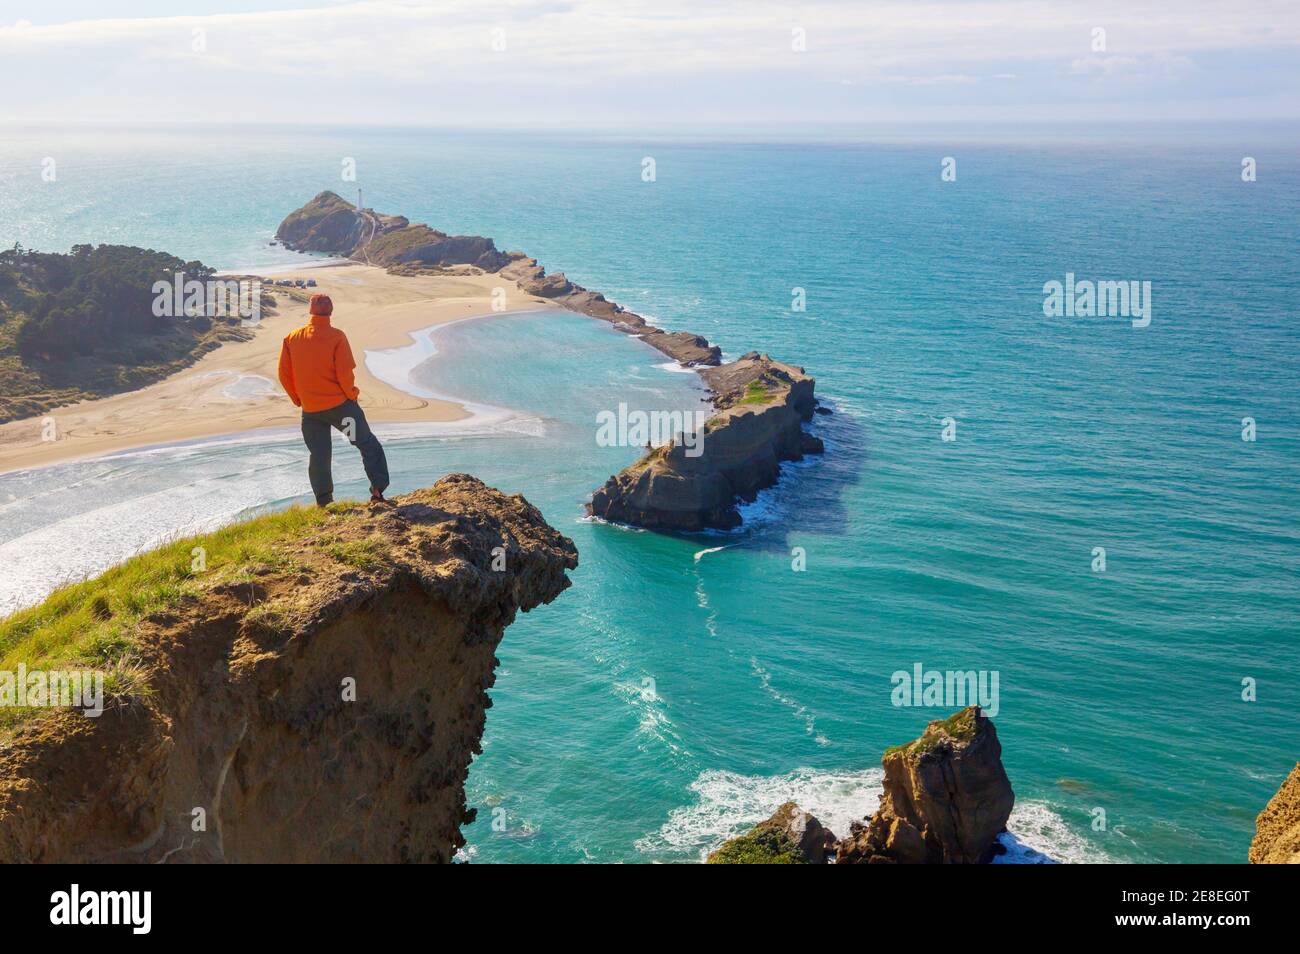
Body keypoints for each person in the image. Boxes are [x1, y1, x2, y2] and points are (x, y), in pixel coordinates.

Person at [277, 292, 390, 506]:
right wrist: (352, 396)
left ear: (310, 311)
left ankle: (324, 502)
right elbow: (344, 374)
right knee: (367, 444)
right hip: (341, 409)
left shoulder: (292, 337)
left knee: (319, 456)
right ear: (331, 311)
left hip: (311, 412)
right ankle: (377, 491)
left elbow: (284, 374)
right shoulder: (337, 336)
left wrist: (298, 399)